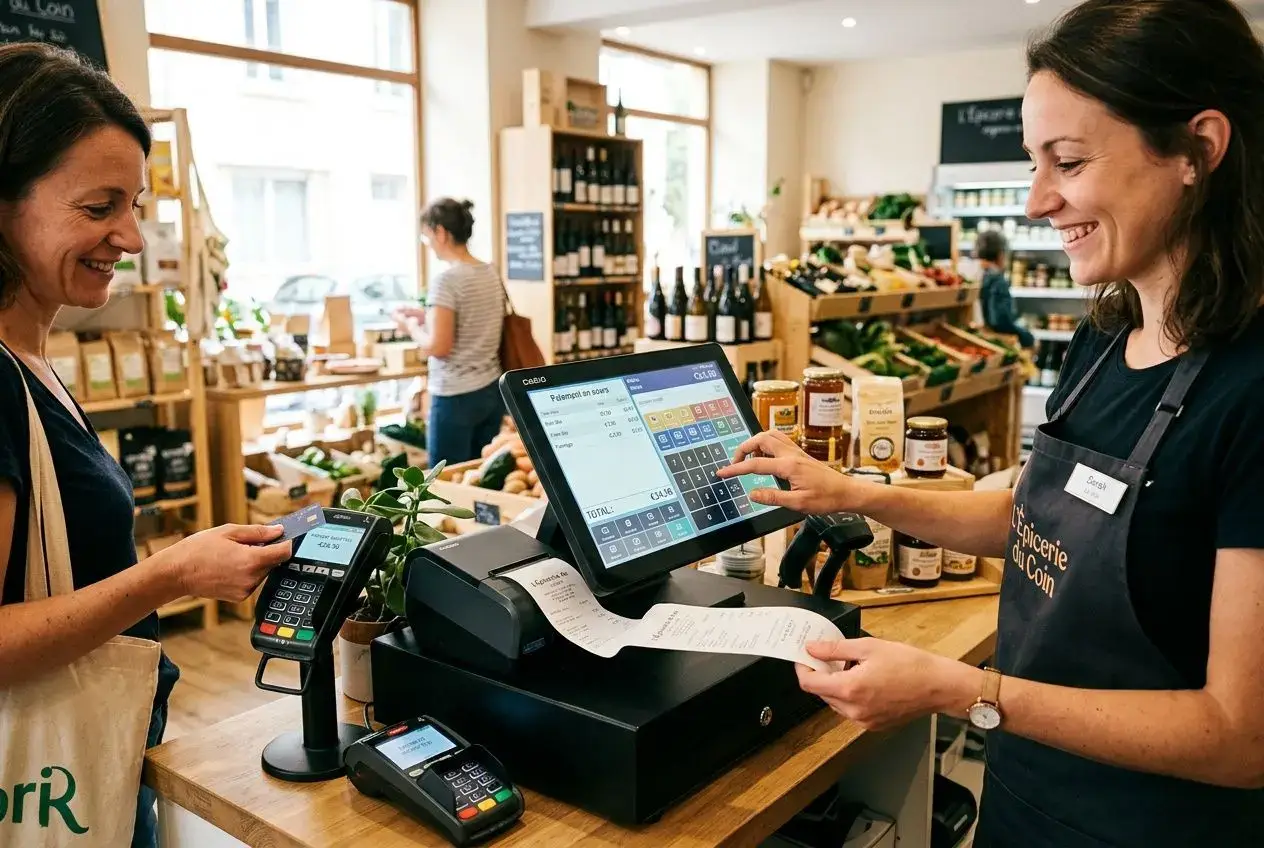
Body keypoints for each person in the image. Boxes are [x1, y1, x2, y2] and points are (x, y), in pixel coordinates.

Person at [720, 1, 1264, 844]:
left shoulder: (1252, 393)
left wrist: (962, 691)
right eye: (1033, 162)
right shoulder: (1102, 341)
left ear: (1199, 148)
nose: (1040, 200)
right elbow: (1039, 523)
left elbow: (1241, 737)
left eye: (1070, 161)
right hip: (1028, 799)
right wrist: (850, 490)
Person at [0, 44, 293, 847]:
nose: (130, 238)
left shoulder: (34, 366)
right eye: (99, 208)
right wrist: (171, 573)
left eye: (133, 205)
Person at [396, 198, 506, 467]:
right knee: (480, 477)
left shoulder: (446, 280)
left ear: (441, 232)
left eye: (427, 237)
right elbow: (473, 318)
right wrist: (426, 316)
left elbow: (438, 346)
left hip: (455, 396)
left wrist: (411, 327)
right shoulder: (489, 271)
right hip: (491, 390)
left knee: (446, 484)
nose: (429, 244)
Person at [976, 230, 1035, 348]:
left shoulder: (971, 272)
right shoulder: (997, 280)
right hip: (995, 343)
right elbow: (1000, 321)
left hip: (976, 339)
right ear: (1001, 255)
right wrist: (1027, 338)